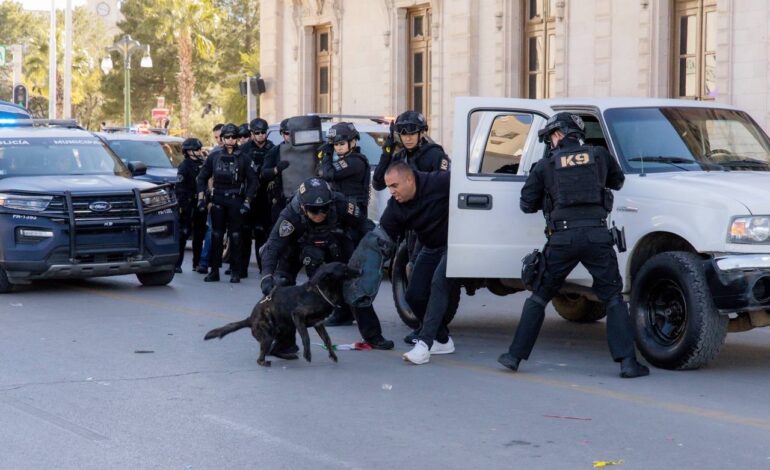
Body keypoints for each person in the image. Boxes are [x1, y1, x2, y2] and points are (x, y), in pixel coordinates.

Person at [497, 112, 650, 379]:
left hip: (562, 239)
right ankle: (627, 363)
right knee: (613, 298)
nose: (550, 144)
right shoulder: (599, 155)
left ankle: (514, 356)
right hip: (597, 237)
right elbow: (618, 181)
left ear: (558, 134)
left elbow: (526, 205)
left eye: (550, 138)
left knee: (539, 296)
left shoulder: (545, 166)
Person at [260, 177, 394, 355]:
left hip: (334, 243)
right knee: (282, 286)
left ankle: (372, 335)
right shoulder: (289, 216)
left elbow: (363, 224)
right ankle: (284, 344)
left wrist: (377, 240)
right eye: (313, 210)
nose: (319, 214)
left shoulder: (340, 203)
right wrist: (267, 276)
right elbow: (273, 247)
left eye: (324, 208)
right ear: (302, 207)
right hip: (298, 249)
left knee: (354, 282)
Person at [377, 162, 460, 365]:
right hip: (430, 246)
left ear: (410, 180)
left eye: (395, 185)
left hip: (456, 245)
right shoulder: (395, 205)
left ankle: (424, 345)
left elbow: (470, 186)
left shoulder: (438, 181)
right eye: (388, 186)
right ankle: (442, 340)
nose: (392, 191)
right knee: (413, 296)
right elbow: (381, 236)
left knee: (438, 284)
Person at [196, 123, 258, 283]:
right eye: (227, 137)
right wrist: (202, 199)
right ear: (222, 138)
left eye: (233, 137)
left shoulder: (244, 158)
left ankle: (235, 271)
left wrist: (247, 201)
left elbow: (253, 181)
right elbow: (202, 177)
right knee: (216, 236)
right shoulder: (214, 156)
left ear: (237, 139)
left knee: (236, 236)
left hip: (236, 200)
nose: (230, 140)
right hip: (218, 200)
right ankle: (214, 271)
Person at [372, 110, 450, 191]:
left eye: (412, 134)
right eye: (404, 134)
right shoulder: (399, 157)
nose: (408, 138)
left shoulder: (436, 155)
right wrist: (386, 154)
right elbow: (378, 185)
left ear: (422, 133)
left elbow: (443, 187)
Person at [238, 117, 275, 276]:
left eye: (263, 132)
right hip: (248, 195)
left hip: (265, 196)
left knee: (262, 234)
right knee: (244, 233)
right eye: (257, 133)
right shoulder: (245, 148)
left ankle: (263, 269)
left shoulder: (272, 148)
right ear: (252, 133)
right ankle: (242, 269)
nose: (261, 135)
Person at [318, 122, 371, 218]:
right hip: (343, 208)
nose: (338, 147)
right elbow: (321, 174)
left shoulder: (355, 161)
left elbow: (328, 174)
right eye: (335, 144)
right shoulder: (346, 159)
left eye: (342, 143)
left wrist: (327, 155)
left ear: (353, 142)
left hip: (352, 212)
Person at [175, 138, 207, 273]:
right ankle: (177, 264)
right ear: (189, 151)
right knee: (184, 233)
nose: (200, 152)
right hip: (188, 203)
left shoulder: (203, 164)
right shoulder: (184, 166)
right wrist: (182, 206)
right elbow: (180, 188)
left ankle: (197, 263)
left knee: (199, 234)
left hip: (200, 202)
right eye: (197, 149)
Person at [198, 123, 225, 274]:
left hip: (233, 198)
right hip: (216, 198)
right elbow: (207, 178)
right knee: (212, 230)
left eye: (221, 136)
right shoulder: (214, 153)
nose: (219, 140)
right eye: (216, 137)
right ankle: (204, 261)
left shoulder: (238, 153)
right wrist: (209, 199)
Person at [262, 118, 291, 224]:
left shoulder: (306, 150)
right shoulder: (275, 151)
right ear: (282, 134)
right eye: (287, 133)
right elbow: (264, 173)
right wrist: (276, 169)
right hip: (281, 197)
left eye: (293, 133)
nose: (290, 136)